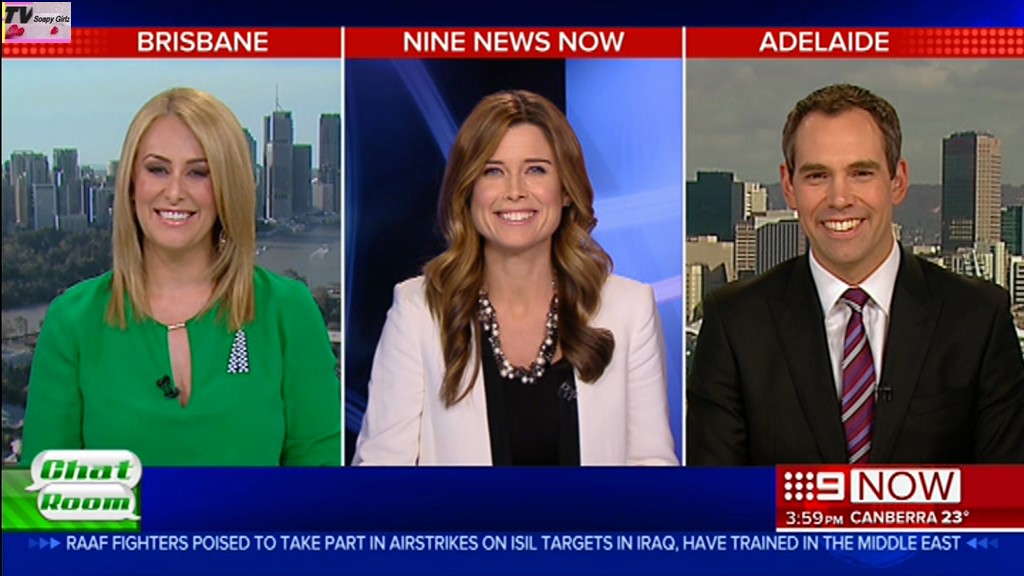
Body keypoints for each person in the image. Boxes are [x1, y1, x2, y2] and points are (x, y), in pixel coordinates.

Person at [687, 83, 1024, 465]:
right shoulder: (735, 324)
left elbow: (1005, 493)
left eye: (861, 173)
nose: (839, 199)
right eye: (817, 176)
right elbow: (716, 496)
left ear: (898, 181)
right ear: (789, 187)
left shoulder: (977, 318)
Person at [353, 90, 677, 466]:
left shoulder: (630, 310)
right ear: (468, 190)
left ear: (566, 190)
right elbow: (380, 476)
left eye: (535, 170)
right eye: (493, 171)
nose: (515, 191)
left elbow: (652, 471)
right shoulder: (418, 311)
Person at [21, 87, 341, 466]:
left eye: (198, 172)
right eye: (157, 169)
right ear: (131, 183)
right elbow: (44, 492)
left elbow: (322, 487)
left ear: (227, 188)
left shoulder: (288, 312)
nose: (174, 192)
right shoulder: (72, 322)